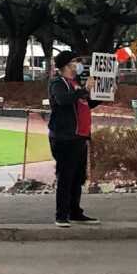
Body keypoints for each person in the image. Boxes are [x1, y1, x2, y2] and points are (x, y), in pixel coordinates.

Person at [48, 50, 104, 227]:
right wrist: (84, 91)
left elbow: (85, 102)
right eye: (75, 61)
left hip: (79, 136)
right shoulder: (58, 83)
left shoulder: (75, 83)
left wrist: (102, 95)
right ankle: (61, 215)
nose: (78, 64)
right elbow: (63, 100)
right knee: (66, 176)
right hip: (65, 137)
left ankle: (75, 211)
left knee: (78, 177)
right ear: (65, 65)